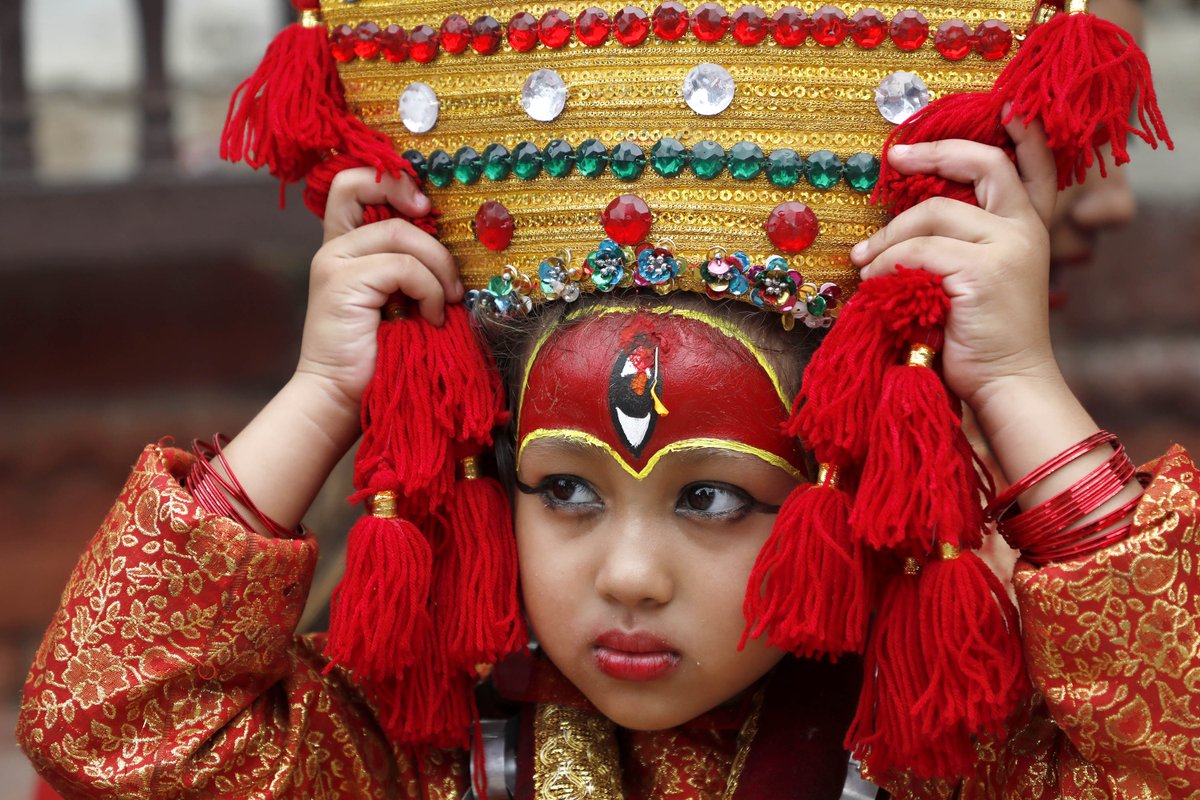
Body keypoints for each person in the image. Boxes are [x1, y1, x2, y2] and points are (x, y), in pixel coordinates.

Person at [17, 1, 1193, 798]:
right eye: (568, 487)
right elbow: (109, 723)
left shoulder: (945, 760)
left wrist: (1019, 385)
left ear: (843, 496)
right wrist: (329, 393)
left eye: (719, 499)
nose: (628, 572)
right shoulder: (420, 759)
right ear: (496, 477)